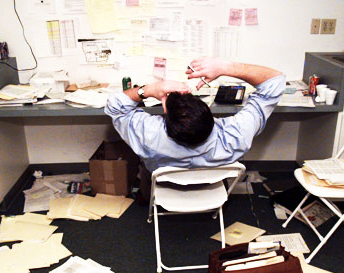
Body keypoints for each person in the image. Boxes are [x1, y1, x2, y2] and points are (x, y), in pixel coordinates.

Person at [104, 57, 285, 200]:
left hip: (166, 188)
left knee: (144, 167)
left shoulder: (149, 135)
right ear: (209, 115)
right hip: (210, 190)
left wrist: (149, 90)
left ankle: (145, 198)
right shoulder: (234, 136)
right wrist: (224, 68)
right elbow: (274, 82)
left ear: (166, 114)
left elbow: (115, 107)